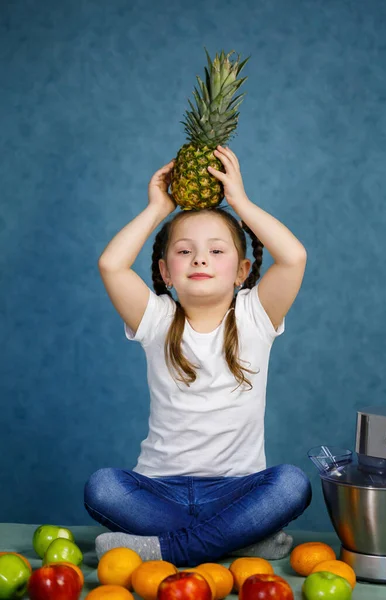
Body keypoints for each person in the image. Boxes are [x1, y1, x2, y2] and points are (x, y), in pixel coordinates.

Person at [84, 145, 312, 567]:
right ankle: (237, 539)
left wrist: (240, 202)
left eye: (217, 251)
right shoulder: (156, 318)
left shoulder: (254, 316)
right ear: (167, 272)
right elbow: (112, 264)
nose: (201, 257)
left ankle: (173, 547)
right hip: (158, 489)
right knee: (103, 487)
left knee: (291, 484)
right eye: (185, 251)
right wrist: (158, 208)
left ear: (243, 271)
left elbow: (294, 256)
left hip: (237, 489)